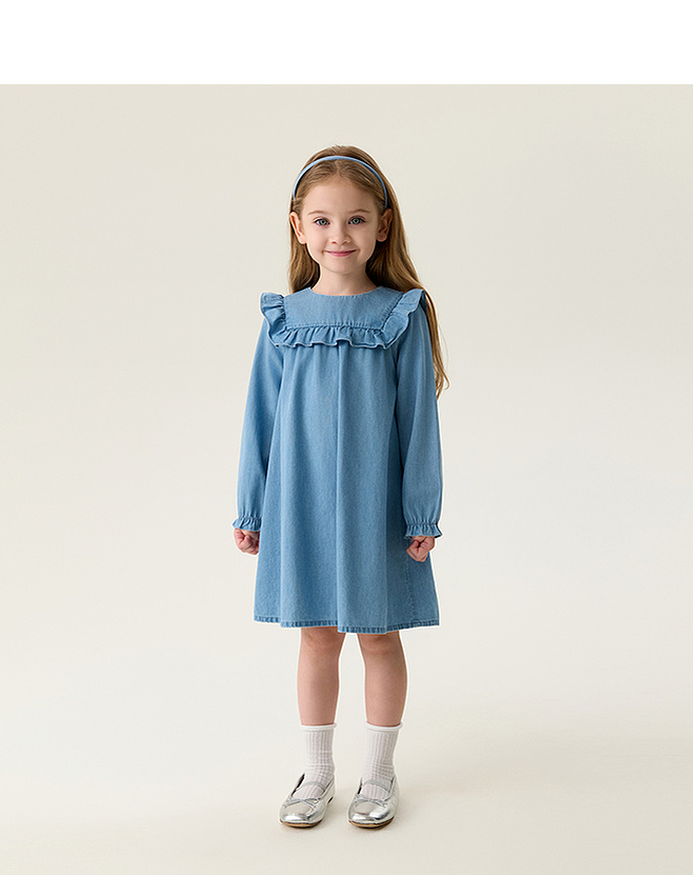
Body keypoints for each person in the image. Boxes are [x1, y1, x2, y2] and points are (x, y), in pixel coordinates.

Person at [233, 145, 447, 829]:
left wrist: (422, 511)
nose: (339, 235)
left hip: (375, 507)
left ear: (382, 225)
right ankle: (318, 771)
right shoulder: (284, 318)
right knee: (317, 637)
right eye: (323, 221)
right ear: (299, 227)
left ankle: (378, 771)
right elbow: (260, 418)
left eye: (355, 219)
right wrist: (251, 505)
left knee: (378, 637)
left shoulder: (399, 315)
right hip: (301, 504)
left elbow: (418, 421)